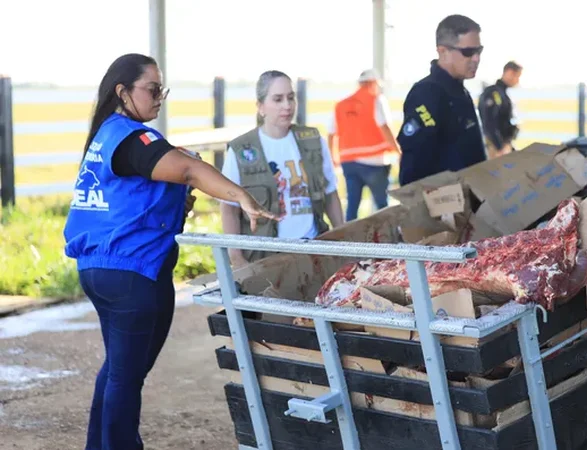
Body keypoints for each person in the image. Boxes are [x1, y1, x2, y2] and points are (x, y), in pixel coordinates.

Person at [62, 53, 277, 450]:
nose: (159, 97)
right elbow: (190, 169)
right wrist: (241, 196)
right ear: (122, 92)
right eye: (152, 88)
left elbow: (131, 199)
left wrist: (175, 201)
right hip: (131, 273)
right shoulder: (133, 138)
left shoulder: (106, 136)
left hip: (100, 268)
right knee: (126, 377)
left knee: (117, 372)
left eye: (162, 89)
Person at [220, 70, 344, 266]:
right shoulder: (242, 150)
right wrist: (236, 257)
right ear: (261, 106)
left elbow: (330, 194)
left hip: (313, 249)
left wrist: (342, 238)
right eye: (277, 99)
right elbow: (229, 208)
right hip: (266, 257)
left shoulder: (313, 141)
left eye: (291, 98)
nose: (287, 106)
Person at [396, 14, 487, 186]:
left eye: (479, 51)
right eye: (468, 52)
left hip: (469, 203)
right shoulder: (427, 93)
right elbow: (414, 165)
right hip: (444, 206)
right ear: (443, 51)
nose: (476, 58)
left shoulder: (459, 91)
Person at [328, 69, 400, 221]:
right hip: (374, 162)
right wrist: (398, 151)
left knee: (352, 206)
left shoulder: (341, 105)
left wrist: (332, 158)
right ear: (373, 83)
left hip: (348, 162)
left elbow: (331, 133)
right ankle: (386, 240)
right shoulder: (376, 99)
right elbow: (384, 127)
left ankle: (348, 240)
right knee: (382, 207)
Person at [478, 61, 523, 158]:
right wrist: (500, 147)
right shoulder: (493, 93)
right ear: (510, 72)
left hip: (504, 145)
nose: (518, 81)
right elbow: (489, 123)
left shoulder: (503, 94)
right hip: (496, 148)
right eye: (517, 76)